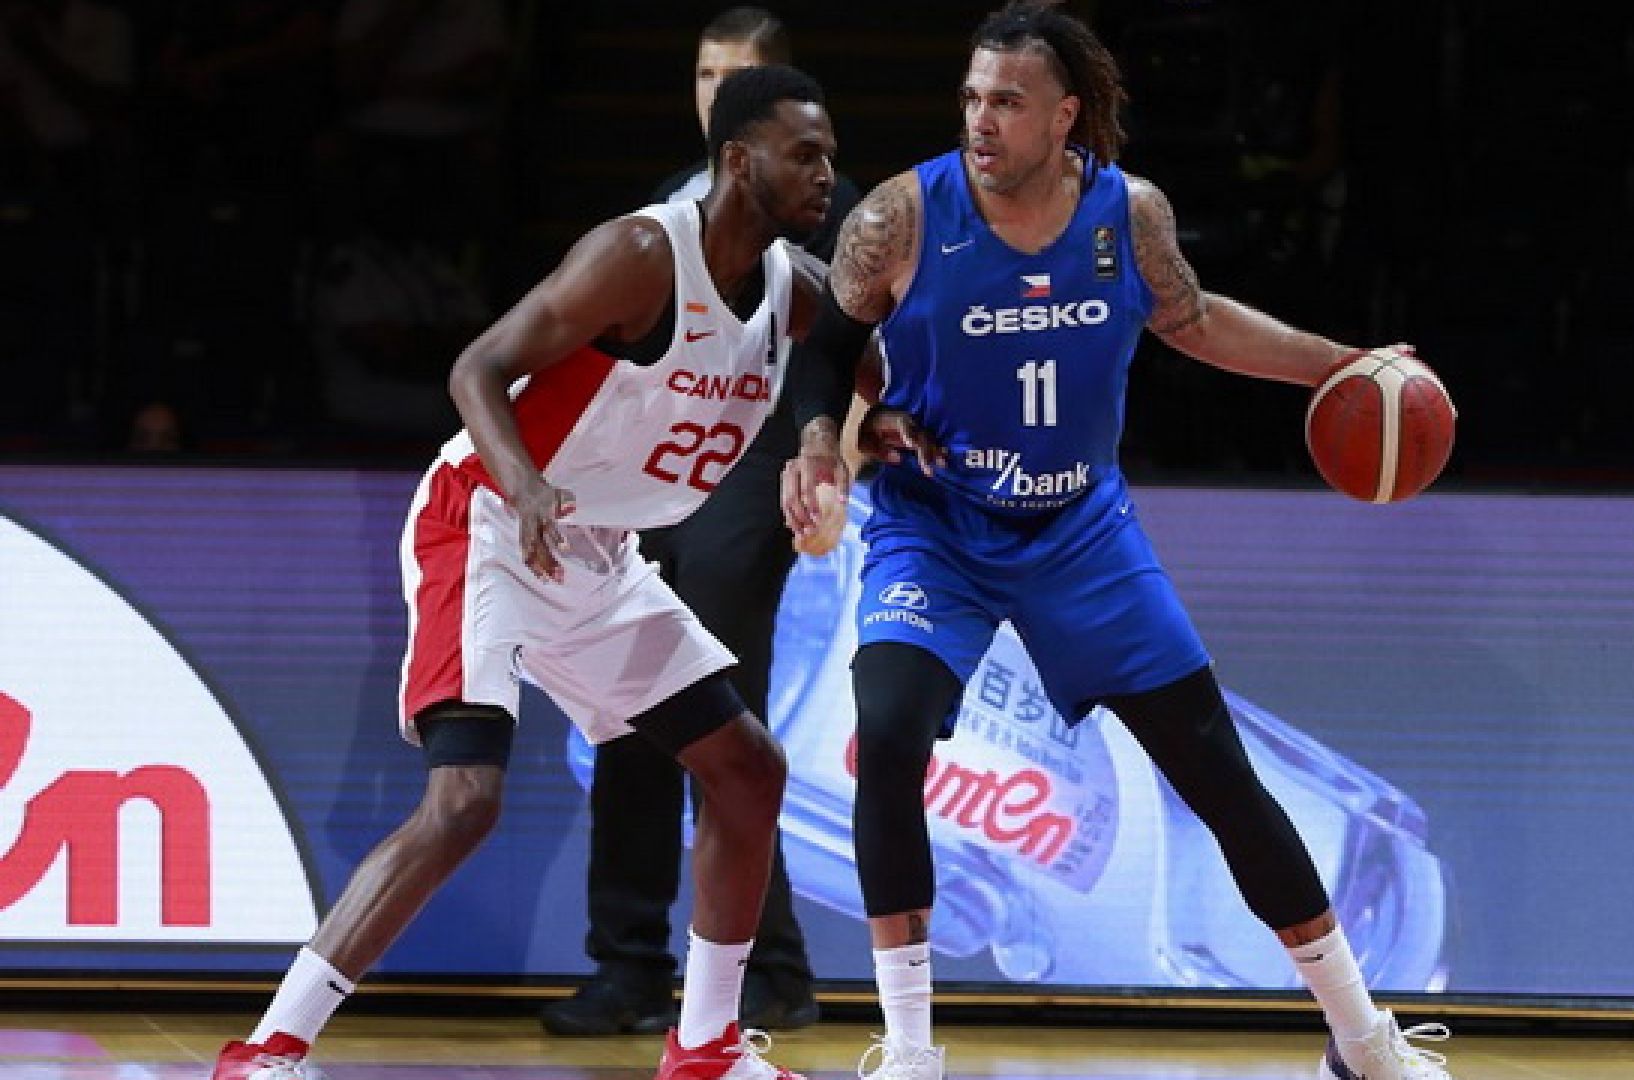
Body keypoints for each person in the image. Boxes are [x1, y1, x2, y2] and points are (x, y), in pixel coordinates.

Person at [779, 5, 1455, 1080]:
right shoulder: (899, 218)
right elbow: (825, 354)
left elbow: (1196, 319)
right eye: (971, 97)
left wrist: (1339, 363)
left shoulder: (1126, 215)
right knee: (890, 733)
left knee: (1218, 774)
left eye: (1007, 102)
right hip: (938, 526)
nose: (980, 120)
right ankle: (908, 1050)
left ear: (1065, 117)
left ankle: (1363, 1039)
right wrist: (822, 441)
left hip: (1081, 532)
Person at [211, 63, 843, 1080]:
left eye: (829, 157)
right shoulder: (642, 254)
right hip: (493, 523)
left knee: (747, 770)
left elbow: (863, 358)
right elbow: (478, 367)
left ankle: (705, 1046)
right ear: (739, 159)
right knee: (464, 800)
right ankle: (268, 1048)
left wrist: (855, 430)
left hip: (600, 553)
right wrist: (528, 487)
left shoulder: (793, 290)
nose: (825, 175)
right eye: (804, 153)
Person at [539, 6, 859, 1039]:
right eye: (704, 72)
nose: (715, 89)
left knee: (721, 719)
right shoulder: (673, 209)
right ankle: (629, 967)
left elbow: (848, 359)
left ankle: (771, 974)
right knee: (630, 713)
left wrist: (832, 472)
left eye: (738, 74)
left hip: (753, 476)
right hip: (653, 480)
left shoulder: (819, 205)